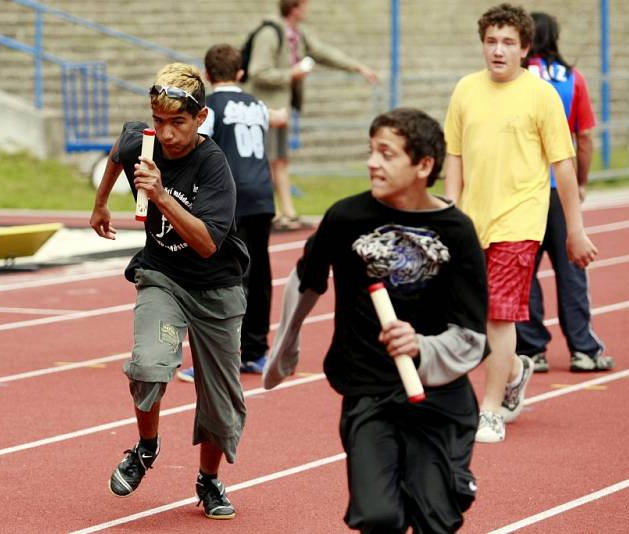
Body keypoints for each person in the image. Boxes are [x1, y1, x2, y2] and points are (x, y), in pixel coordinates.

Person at [264, 108, 489, 533]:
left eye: (387, 154)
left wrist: (423, 346)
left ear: (423, 166)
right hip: (368, 389)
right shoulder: (346, 218)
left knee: (436, 519)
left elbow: (472, 336)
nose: (372, 162)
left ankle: (448, 486)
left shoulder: (457, 231)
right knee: (380, 517)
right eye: (372, 151)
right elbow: (306, 281)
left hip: (438, 399)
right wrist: (284, 350)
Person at [89, 62, 249, 520]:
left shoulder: (215, 166)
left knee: (220, 405)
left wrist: (160, 196)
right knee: (148, 365)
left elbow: (204, 243)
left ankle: (209, 480)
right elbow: (121, 149)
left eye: (178, 123)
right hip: (162, 277)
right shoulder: (147, 140)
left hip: (216, 288)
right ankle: (145, 448)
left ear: (200, 120)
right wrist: (100, 204)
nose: (167, 133)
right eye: (159, 122)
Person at [444, 3, 598, 443]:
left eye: (508, 42)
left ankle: (489, 409)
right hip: (473, 221)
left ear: (525, 48)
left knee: (500, 314)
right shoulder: (465, 90)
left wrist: (576, 229)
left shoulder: (541, 95)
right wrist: (451, 211)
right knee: (469, 318)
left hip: (521, 220)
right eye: (491, 41)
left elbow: (563, 167)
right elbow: (453, 154)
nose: (498, 50)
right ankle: (515, 367)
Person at [177, 44, 288, 382]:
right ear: (241, 74)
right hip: (262, 196)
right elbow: (278, 119)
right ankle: (256, 351)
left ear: (207, 75)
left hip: (228, 198)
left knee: (219, 275)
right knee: (259, 273)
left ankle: (215, 358)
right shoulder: (256, 105)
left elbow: (195, 145)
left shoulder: (209, 109)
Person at [516, 12, 614, 374]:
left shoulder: (515, 79)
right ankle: (584, 350)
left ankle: (531, 350)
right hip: (559, 187)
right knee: (572, 270)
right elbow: (584, 138)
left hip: (523, 189)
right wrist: (581, 181)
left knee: (523, 271)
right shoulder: (573, 78)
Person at [244, 0, 378, 231]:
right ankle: (271, 213)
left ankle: (288, 213)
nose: (309, 9)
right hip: (265, 108)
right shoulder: (270, 33)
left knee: (280, 160)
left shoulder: (297, 34)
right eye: (305, 5)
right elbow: (258, 72)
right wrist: (292, 74)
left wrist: (357, 67)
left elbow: (324, 53)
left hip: (283, 108)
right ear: (295, 7)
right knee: (267, 162)